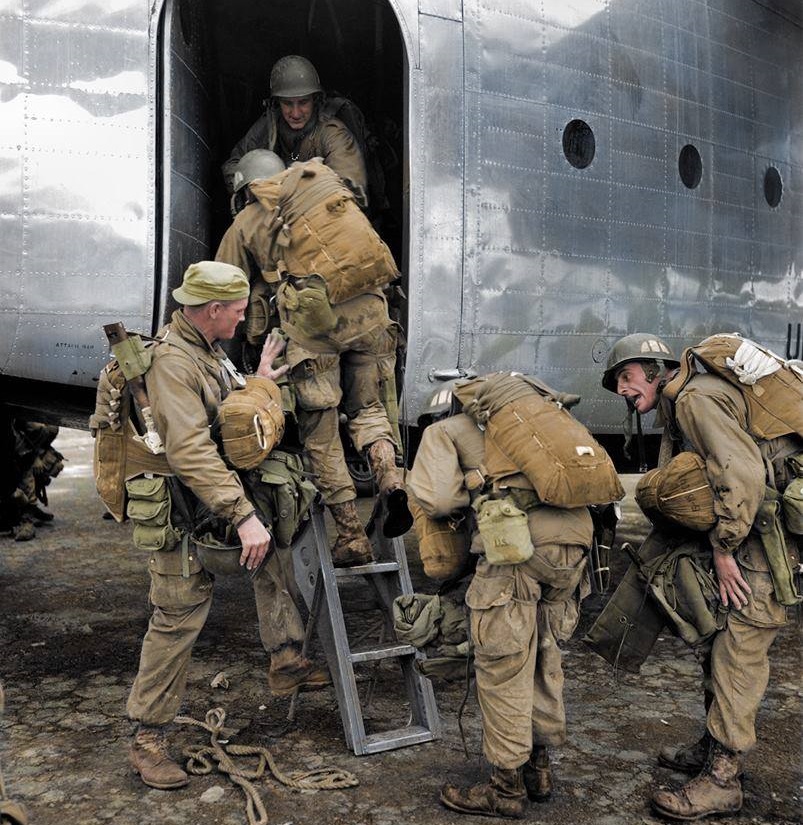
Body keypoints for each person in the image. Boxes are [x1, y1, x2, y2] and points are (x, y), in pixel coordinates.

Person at [122, 261, 329, 790]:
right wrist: (242, 516)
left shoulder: (205, 351)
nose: (242, 321)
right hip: (183, 514)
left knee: (273, 550)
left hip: (211, 502)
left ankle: (285, 659)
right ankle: (147, 742)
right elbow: (190, 450)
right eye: (237, 312)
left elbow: (224, 412)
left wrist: (258, 380)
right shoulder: (173, 363)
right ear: (212, 310)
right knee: (177, 618)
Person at [600, 332, 802, 821]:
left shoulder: (695, 398)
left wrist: (724, 545)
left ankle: (722, 780)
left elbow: (744, 476)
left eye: (626, 377)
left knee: (740, 648)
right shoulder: (678, 401)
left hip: (761, 532)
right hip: (749, 525)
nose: (623, 391)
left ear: (653, 368)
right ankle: (713, 747)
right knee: (716, 639)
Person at [408, 375, 596, 819]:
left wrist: (468, 484)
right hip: (574, 547)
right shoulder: (544, 422)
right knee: (545, 655)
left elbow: (436, 501)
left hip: (516, 548)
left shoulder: (444, 431)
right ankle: (540, 770)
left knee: (504, 664)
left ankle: (505, 788)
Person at [216, 151, 410, 568]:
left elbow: (222, 284)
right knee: (369, 409)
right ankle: (390, 478)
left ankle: (351, 535)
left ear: (248, 187)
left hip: (316, 331)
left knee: (321, 431)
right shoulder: (319, 193)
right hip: (372, 314)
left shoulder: (246, 221)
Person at [222, 55, 367, 210]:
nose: (296, 113)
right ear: (277, 103)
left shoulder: (333, 134)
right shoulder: (271, 125)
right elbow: (233, 165)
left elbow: (349, 192)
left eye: (303, 102)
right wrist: (258, 190)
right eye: (287, 103)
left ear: (315, 100)